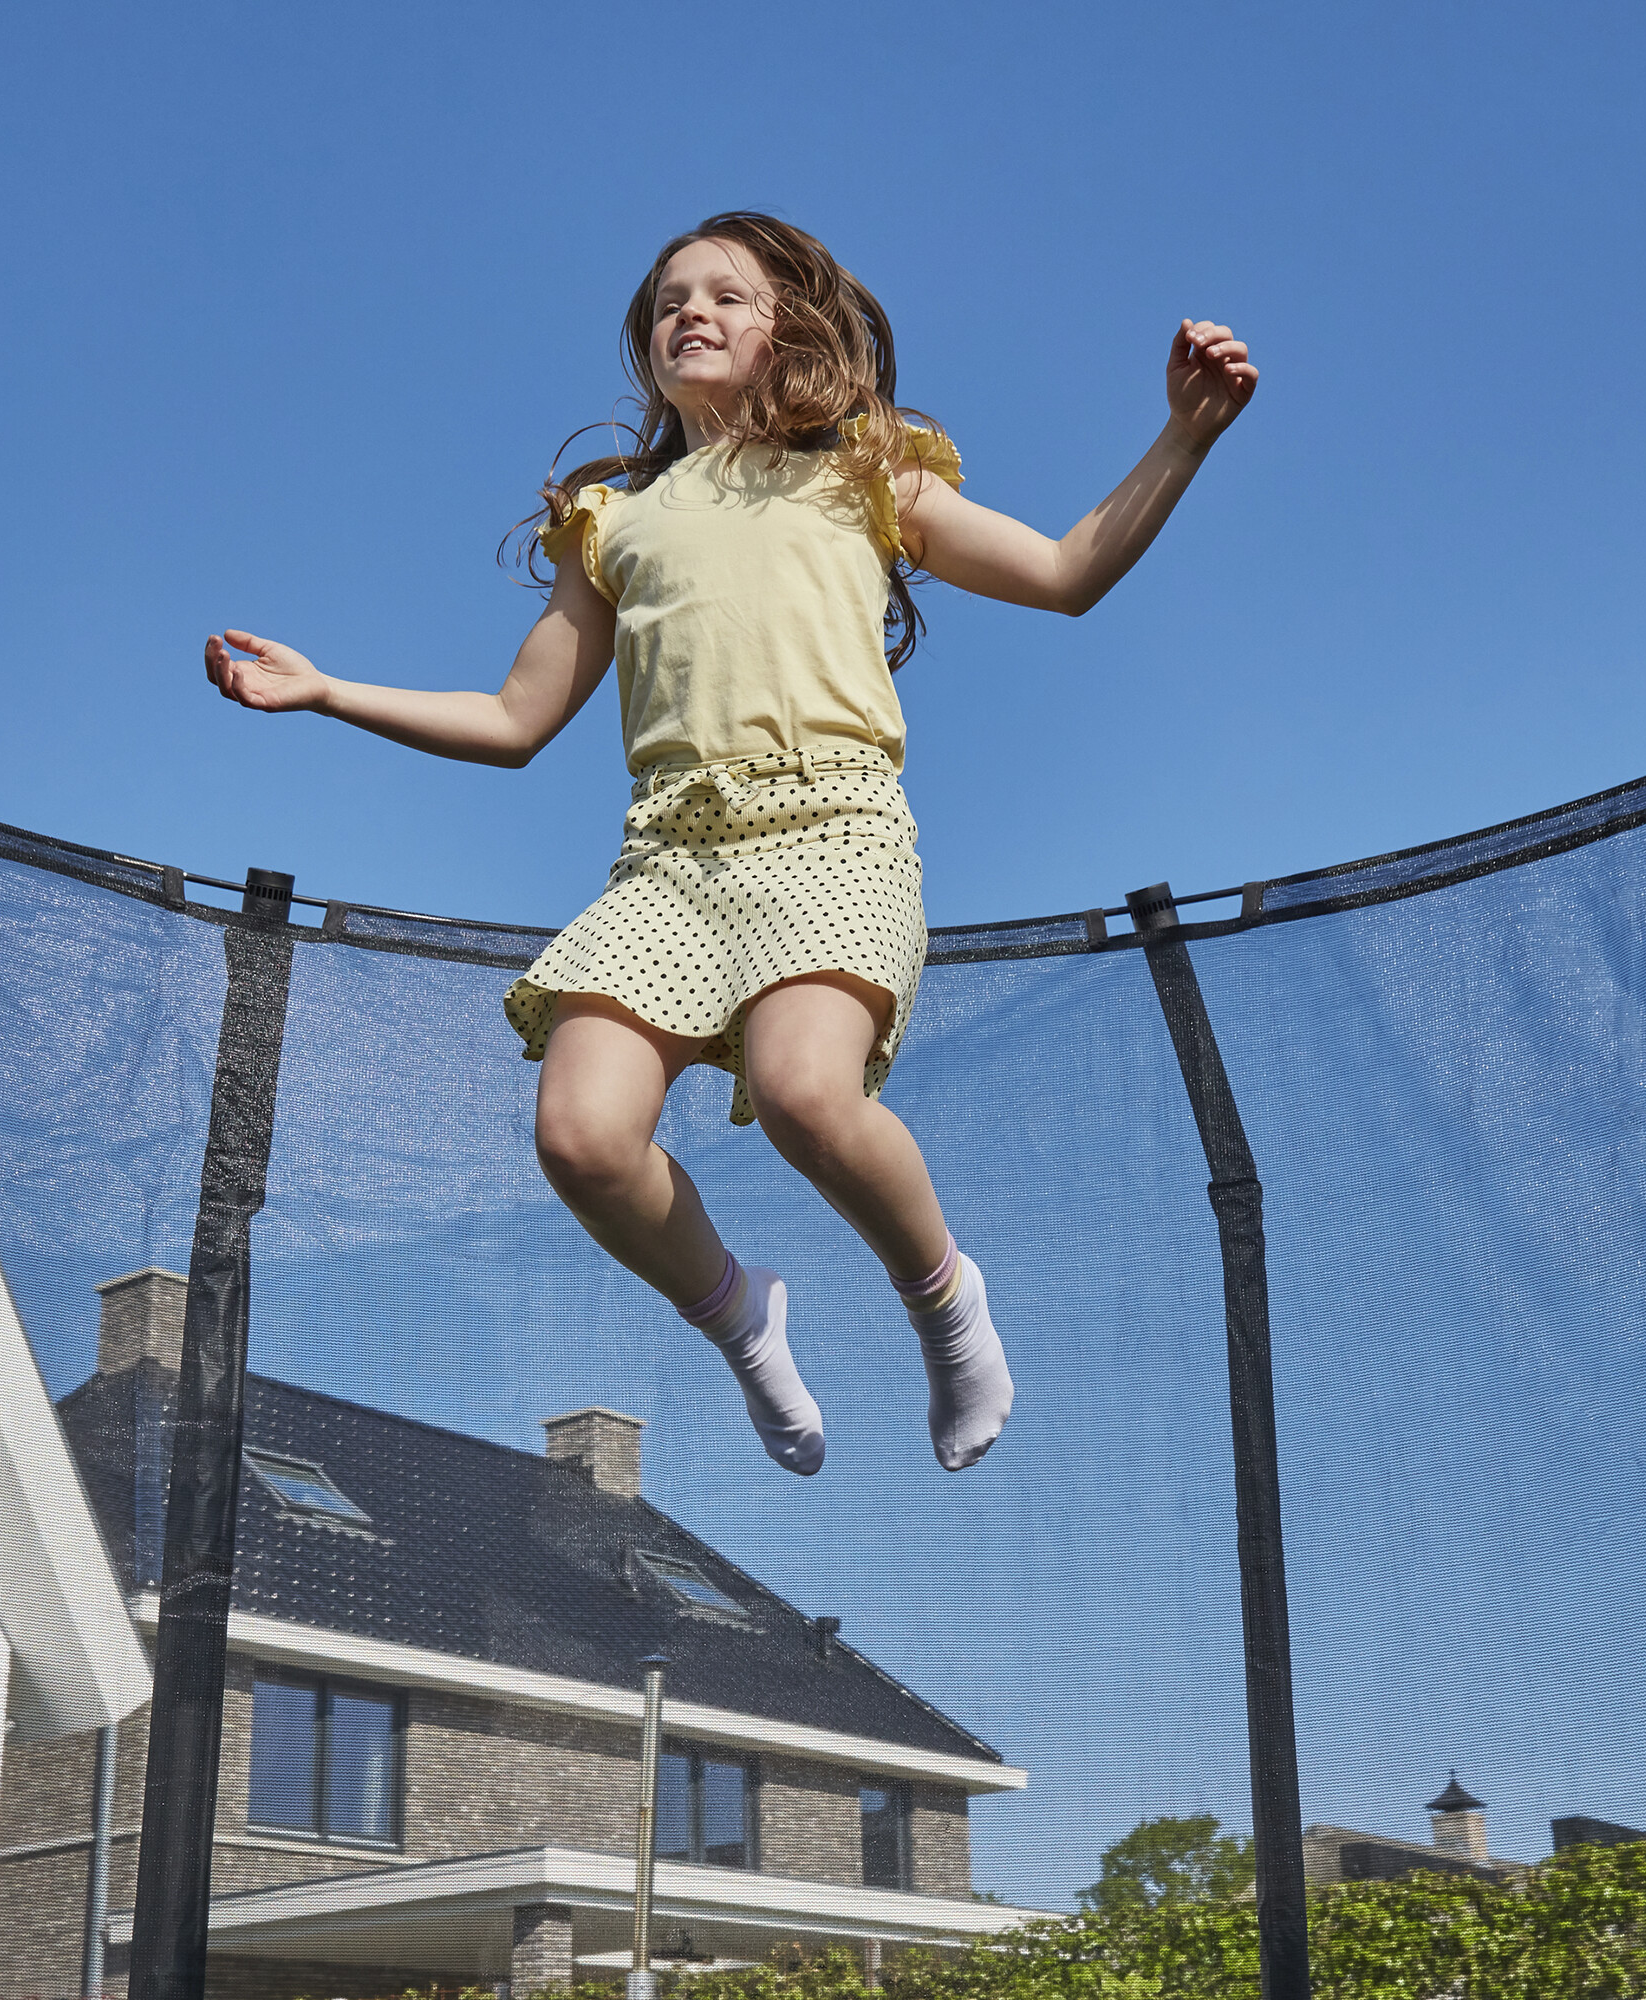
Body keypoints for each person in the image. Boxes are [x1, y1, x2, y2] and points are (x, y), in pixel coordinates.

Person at [205, 212, 1256, 1479]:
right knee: (581, 1134)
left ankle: (943, 1300)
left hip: (833, 824)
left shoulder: (864, 469)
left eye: (723, 296)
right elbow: (512, 717)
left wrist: (1183, 435)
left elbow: (1068, 570)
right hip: (671, 859)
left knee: (810, 1091)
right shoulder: (611, 518)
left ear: (789, 331)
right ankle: (743, 1319)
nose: (687, 313)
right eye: (665, 303)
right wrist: (328, 690)